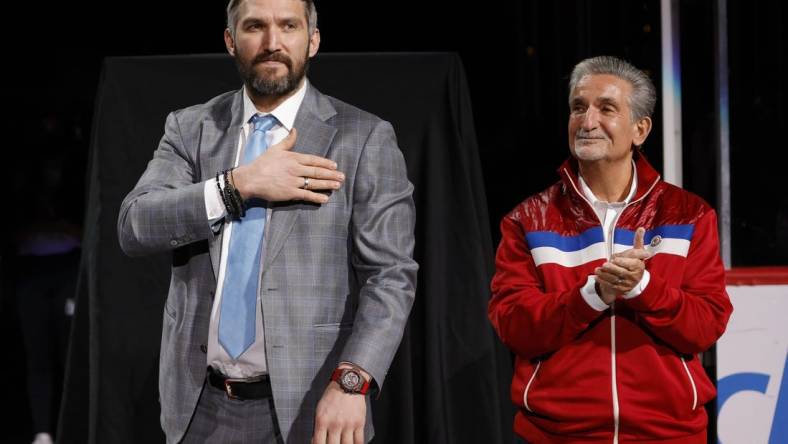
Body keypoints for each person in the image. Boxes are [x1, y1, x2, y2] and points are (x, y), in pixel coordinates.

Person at [117, 0, 418, 442]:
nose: (273, 43)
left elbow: (391, 276)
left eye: (288, 26)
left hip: (314, 404)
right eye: (255, 26)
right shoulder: (190, 128)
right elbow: (135, 225)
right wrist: (237, 185)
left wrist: (353, 379)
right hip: (199, 406)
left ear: (312, 40)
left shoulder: (364, 137)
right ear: (230, 40)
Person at [488, 56, 733, 443]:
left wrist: (642, 289)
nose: (587, 122)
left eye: (606, 109)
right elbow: (516, 328)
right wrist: (594, 294)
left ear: (641, 128)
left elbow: (705, 326)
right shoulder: (527, 219)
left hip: (668, 435)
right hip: (556, 436)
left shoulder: (689, 215)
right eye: (578, 108)